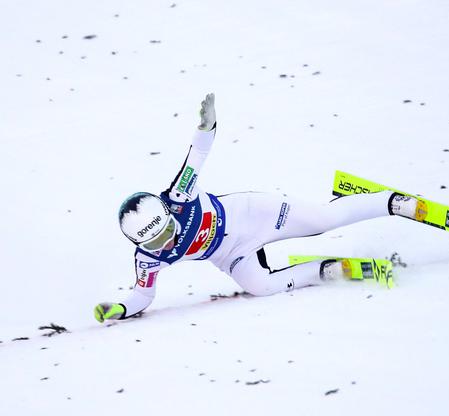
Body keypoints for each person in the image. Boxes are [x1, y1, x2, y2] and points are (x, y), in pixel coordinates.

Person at [94, 93, 424, 323]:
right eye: (153, 243)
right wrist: (119, 309)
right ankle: (323, 271)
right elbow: (142, 296)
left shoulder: (180, 195)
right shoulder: (148, 259)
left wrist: (206, 125)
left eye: (165, 232)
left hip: (253, 214)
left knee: (326, 218)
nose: (164, 244)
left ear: (167, 214)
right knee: (261, 287)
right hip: (230, 256)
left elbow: (198, 154)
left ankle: (390, 202)